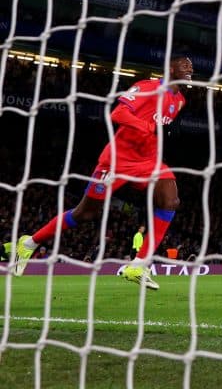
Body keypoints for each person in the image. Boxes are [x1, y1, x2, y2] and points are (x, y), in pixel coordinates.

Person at [11, 56, 193, 290]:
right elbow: (117, 114)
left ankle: (138, 264)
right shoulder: (148, 87)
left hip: (148, 161)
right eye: (184, 65)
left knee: (170, 200)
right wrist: (144, 126)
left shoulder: (179, 101)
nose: (190, 68)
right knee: (84, 214)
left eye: (191, 66)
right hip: (117, 161)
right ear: (170, 68)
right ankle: (29, 243)